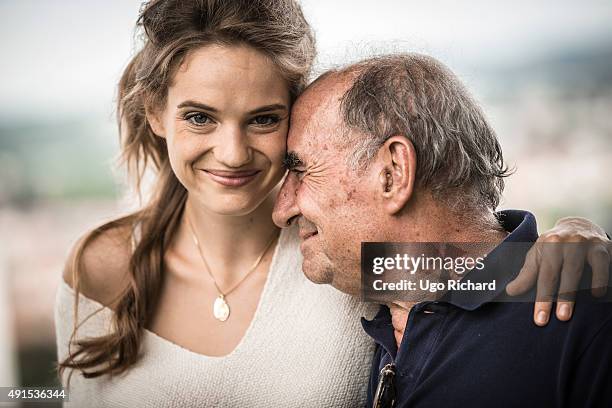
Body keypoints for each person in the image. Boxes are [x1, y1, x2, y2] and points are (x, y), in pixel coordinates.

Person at [54, 1, 609, 407]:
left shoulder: (351, 259)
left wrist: (582, 246)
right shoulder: (101, 268)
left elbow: (469, 265)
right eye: (199, 116)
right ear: (156, 113)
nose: (231, 152)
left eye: (266, 120)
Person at [272, 53, 612, 407]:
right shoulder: (389, 304)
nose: (282, 210)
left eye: (301, 170)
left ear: (393, 173)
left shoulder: (584, 311)